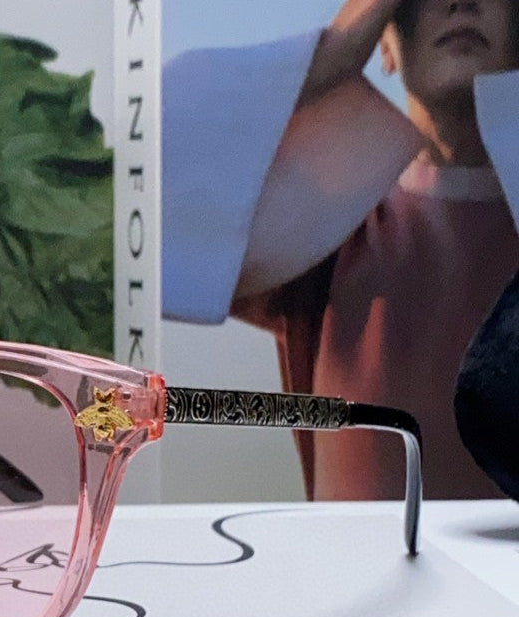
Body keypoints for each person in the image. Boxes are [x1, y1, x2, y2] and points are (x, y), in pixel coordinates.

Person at [163, 0, 519, 500]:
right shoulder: (325, 228)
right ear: (385, 45)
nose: (460, 2)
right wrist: (331, 54)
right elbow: (136, 213)